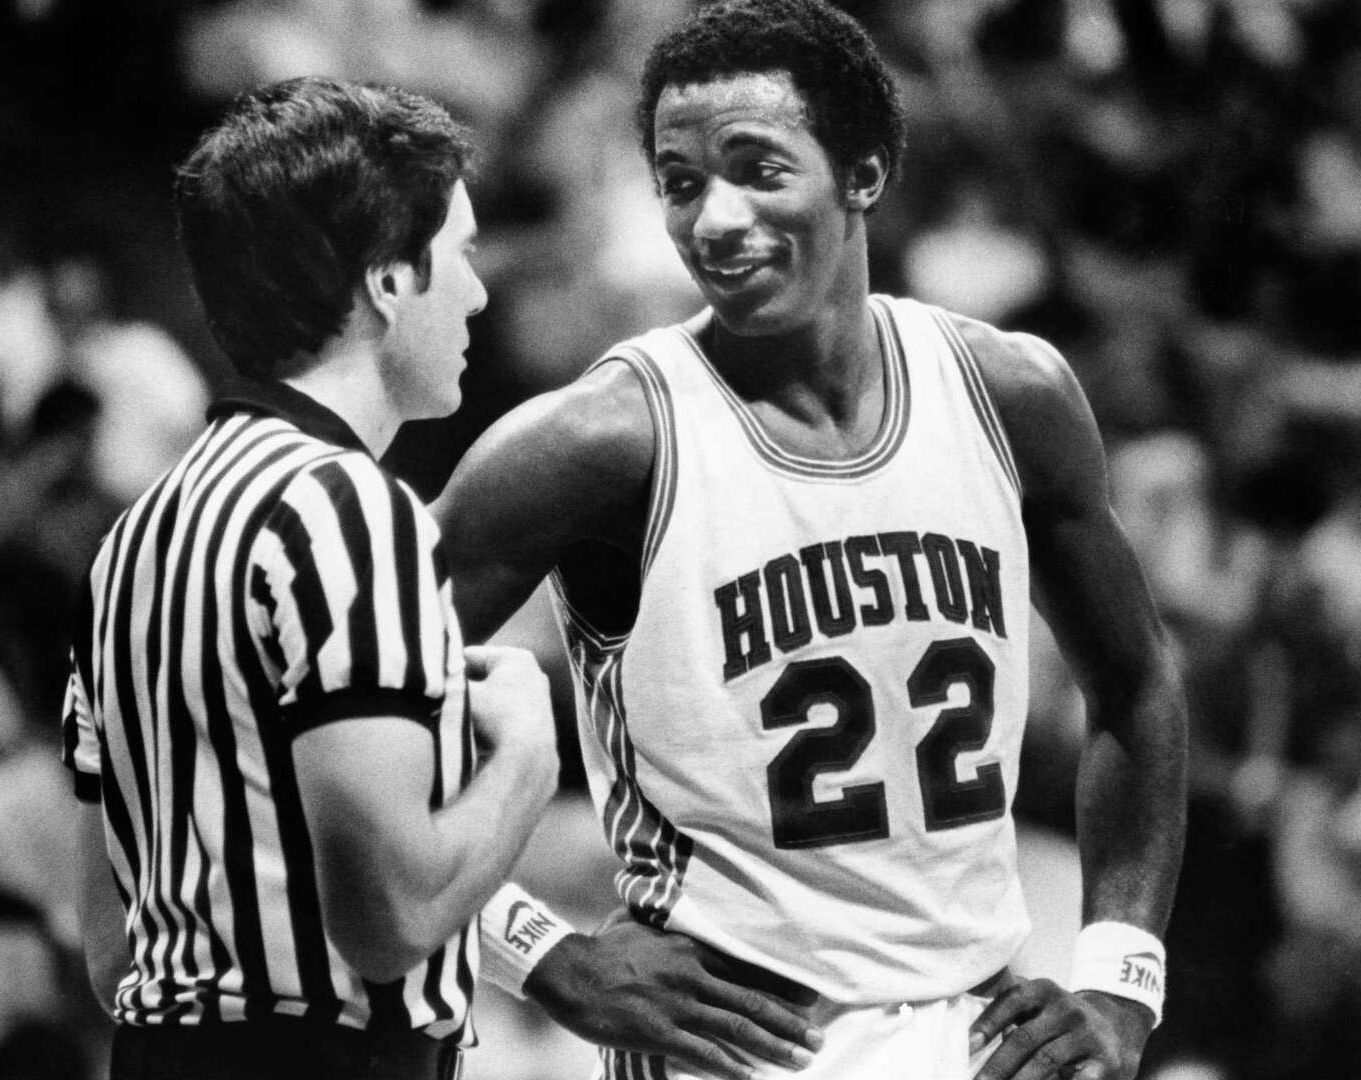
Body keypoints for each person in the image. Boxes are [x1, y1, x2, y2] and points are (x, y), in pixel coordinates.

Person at [433, 1, 1189, 1078]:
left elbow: (1139, 684)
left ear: (864, 174)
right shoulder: (599, 440)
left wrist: (1120, 982)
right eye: (680, 183)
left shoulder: (1010, 393)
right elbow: (317, 718)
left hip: (976, 1031)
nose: (714, 219)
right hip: (728, 1039)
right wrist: (540, 954)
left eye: (758, 170)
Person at [60, 77, 559, 1080]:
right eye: (461, 255)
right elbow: (393, 921)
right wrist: (527, 757)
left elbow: (113, 953)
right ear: (388, 280)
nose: (479, 293)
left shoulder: (133, 540)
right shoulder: (347, 507)